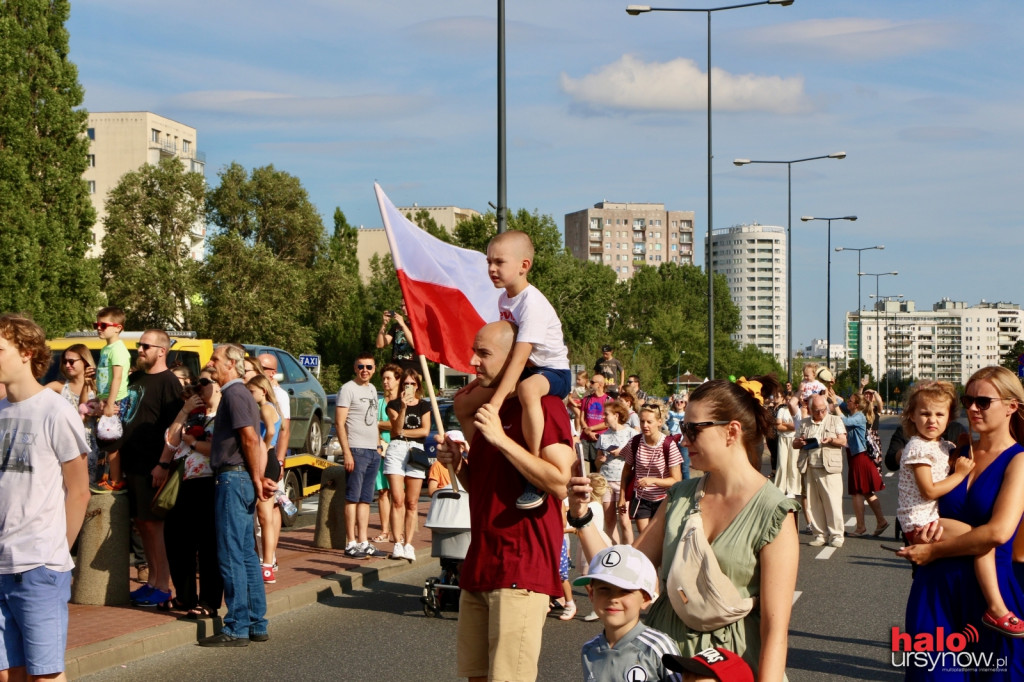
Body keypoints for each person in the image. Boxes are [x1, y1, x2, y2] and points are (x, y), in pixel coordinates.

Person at [568, 375, 800, 679]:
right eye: (682, 428)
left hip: (731, 667)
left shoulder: (774, 512)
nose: (683, 439)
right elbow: (621, 572)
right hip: (667, 661)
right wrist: (582, 516)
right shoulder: (679, 496)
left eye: (693, 429)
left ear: (731, 431)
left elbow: (774, 630)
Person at [435, 320, 574, 682]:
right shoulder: (489, 409)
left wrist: (500, 440)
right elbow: (481, 483)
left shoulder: (545, 406)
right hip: (480, 565)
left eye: (483, 353)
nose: (473, 361)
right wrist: (458, 463)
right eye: (473, 351)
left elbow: (559, 483)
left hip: (522, 568)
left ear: (514, 359)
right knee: (477, 677)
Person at [898, 366, 1024, 678]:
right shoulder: (956, 451)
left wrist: (934, 551)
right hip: (936, 588)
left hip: (991, 593)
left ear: (1012, 406)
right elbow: (921, 502)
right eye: (968, 400)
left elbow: (998, 532)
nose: (972, 408)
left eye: (983, 402)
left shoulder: (1019, 460)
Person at [0, 314, 91, 681]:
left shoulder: (55, 411)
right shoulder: (1, 412)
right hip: (2, 563)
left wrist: (56, 553)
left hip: (38, 566)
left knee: (45, 676)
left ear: (26, 352)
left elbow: (80, 490)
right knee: (8, 674)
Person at [470, 230, 572, 510]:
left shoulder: (532, 304)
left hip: (554, 372)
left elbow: (519, 357)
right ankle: (480, 457)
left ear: (523, 265)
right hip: (531, 368)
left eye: (499, 262)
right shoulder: (505, 299)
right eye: (489, 261)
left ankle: (535, 465)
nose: (491, 268)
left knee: (527, 389)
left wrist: (497, 400)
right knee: (467, 397)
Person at [198, 344, 276, 647]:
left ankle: (237, 626)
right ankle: (256, 622)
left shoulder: (233, 393)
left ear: (231, 364)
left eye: (215, 359)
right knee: (245, 554)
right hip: (239, 477)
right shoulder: (238, 393)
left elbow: (250, 437)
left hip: (233, 478)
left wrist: (257, 479)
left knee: (231, 554)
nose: (210, 363)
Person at [120, 330, 184, 608]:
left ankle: (163, 585)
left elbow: (176, 429)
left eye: (146, 346)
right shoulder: (134, 379)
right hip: (131, 462)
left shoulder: (169, 383)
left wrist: (163, 463)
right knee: (142, 524)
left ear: (162, 350)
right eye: (139, 345)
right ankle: (151, 581)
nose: (140, 349)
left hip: (152, 464)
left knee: (155, 525)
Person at [164, 368, 222, 619]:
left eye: (206, 382)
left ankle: (209, 602)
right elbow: (170, 440)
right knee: (177, 542)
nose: (200, 386)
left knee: (208, 547)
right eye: (197, 382)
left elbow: (221, 450)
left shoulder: (224, 415)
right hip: (183, 481)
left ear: (218, 386)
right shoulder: (192, 413)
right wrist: (185, 410)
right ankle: (185, 596)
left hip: (210, 483)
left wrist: (194, 443)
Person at [575, 545, 681, 682]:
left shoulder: (658, 647)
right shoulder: (589, 650)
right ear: (591, 594)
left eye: (625, 591)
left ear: (646, 598)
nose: (613, 599)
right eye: (604, 589)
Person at [335, 352, 381, 559]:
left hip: (373, 451)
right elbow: (339, 423)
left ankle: (363, 541)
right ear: (355, 368)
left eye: (369, 367)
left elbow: (374, 420)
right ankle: (351, 542)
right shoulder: (347, 389)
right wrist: (347, 452)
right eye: (361, 366)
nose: (365, 370)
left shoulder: (372, 389)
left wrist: (379, 445)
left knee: (365, 499)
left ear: (374, 369)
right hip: (357, 449)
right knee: (352, 498)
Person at [384, 368, 432, 562]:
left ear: (418, 386)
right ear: (401, 385)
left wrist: (404, 432)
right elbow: (395, 429)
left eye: (413, 384)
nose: (409, 387)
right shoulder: (393, 404)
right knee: (397, 499)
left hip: (416, 452)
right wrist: (403, 408)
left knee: (412, 502)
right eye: (406, 384)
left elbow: (425, 431)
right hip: (396, 450)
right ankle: (397, 542)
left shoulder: (424, 406)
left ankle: (409, 544)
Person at [618, 402, 683, 534]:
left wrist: (652, 480)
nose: (644, 425)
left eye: (649, 422)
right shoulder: (635, 442)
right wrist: (622, 497)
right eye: (642, 421)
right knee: (644, 540)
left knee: (659, 541)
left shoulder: (668, 445)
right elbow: (626, 472)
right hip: (641, 498)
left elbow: (676, 480)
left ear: (659, 422)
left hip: (663, 500)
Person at [793, 394, 848, 548]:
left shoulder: (835, 420)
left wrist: (831, 440)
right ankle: (820, 534)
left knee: (833, 502)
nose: (820, 413)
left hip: (829, 466)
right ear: (810, 410)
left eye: (823, 410)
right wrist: (800, 441)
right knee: (813, 503)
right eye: (816, 411)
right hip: (810, 465)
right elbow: (795, 443)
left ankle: (837, 535)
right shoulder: (804, 423)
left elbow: (843, 440)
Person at [46, 344, 100, 485]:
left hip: (93, 445)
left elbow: (85, 411)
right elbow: (33, 394)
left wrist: (87, 385)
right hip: (66, 443)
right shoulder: (58, 386)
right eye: (64, 362)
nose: (67, 365)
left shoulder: (98, 387)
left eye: (72, 361)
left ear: (85, 362)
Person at [835, 393, 888, 537]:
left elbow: (844, 421)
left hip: (859, 456)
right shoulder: (855, 413)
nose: (847, 403)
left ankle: (860, 527)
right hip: (857, 456)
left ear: (856, 405)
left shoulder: (858, 416)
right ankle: (881, 521)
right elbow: (841, 403)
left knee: (857, 491)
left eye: (850, 401)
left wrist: (834, 406)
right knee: (867, 491)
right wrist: (832, 395)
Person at [247, 374, 282, 584]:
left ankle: (267, 564)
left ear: (263, 390)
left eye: (252, 392)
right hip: (267, 458)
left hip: (266, 460)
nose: (250, 396)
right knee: (262, 515)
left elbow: (270, 431)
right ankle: (265, 563)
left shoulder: (266, 408)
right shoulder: (267, 407)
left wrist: (265, 447)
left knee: (264, 515)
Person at [93, 306, 131, 492]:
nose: (99, 328)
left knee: (112, 441)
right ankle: (108, 476)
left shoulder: (118, 349)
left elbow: (117, 377)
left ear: (118, 327)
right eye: (96, 324)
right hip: (108, 399)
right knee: (106, 441)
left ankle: (116, 480)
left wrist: (110, 403)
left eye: (103, 325)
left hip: (116, 400)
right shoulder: (106, 348)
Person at [595, 401, 637, 545]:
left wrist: (622, 452)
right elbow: (597, 461)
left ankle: (629, 552)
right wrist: (600, 459)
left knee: (625, 521)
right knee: (609, 521)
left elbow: (638, 456)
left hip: (623, 481)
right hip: (606, 480)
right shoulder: (603, 436)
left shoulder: (631, 433)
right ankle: (615, 553)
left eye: (606, 414)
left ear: (616, 415)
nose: (603, 417)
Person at [372, 364, 401, 544]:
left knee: (399, 494)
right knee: (383, 492)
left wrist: (380, 424)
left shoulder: (404, 401)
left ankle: (400, 531)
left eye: (389, 378)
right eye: (383, 378)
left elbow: (399, 425)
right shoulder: (379, 402)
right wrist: (378, 443)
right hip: (382, 450)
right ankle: (384, 530)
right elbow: (372, 424)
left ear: (398, 380)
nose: (385, 382)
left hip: (399, 450)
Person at [579, 374, 610, 473]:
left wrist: (591, 429)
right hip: (585, 439)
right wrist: (588, 431)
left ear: (600, 384)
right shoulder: (586, 399)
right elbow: (581, 418)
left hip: (600, 438)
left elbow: (607, 423)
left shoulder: (608, 400)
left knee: (598, 467)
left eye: (592, 382)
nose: (590, 384)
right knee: (584, 468)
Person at [772, 391, 800, 499]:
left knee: (793, 464)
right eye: (787, 399)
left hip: (794, 438)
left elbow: (797, 426)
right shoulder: (781, 410)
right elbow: (778, 426)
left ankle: (792, 489)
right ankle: (781, 487)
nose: (789, 401)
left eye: (791, 399)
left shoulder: (797, 411)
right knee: (782, 463)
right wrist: (790, 425)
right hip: (783, 439)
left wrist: (785, 424)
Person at [375, 304, 417, 373]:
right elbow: (380, 344)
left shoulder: (418, 325)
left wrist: (403, 324)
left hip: (413, 371)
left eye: (405, 305)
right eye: (401, 306)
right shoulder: (396, 326)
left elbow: (414, 344)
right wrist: (384, 325)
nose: (403, 308)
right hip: (396, 371)